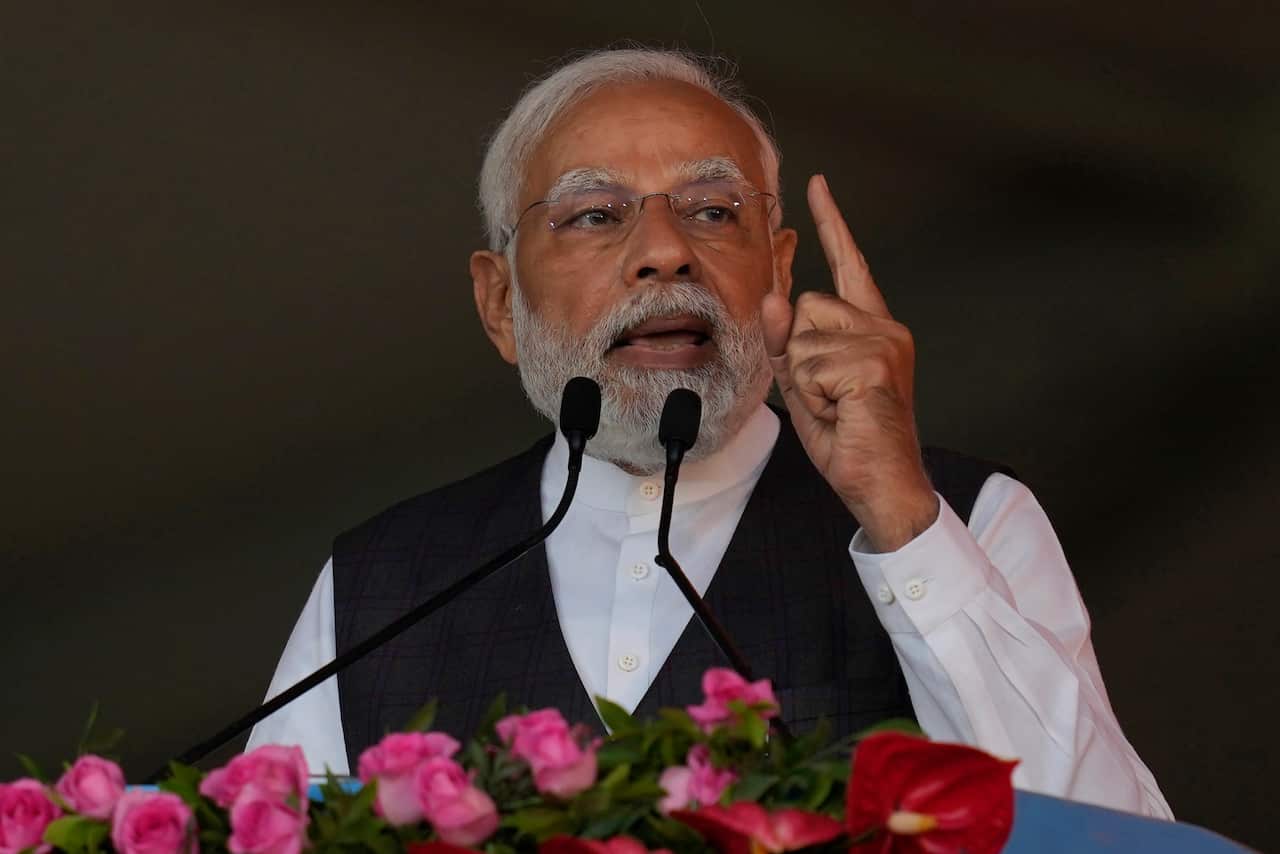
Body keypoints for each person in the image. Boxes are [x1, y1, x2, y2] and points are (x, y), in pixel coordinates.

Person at [248, 48, 1171, 818]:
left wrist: (901, 520)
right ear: (500, 302)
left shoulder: (970, 519)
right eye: (597, 214)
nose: (664, 251)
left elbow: (1107, 840)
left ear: (777, 270)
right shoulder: (385, 580)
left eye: (713, 211)